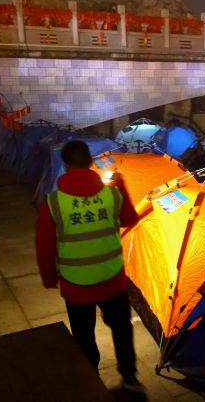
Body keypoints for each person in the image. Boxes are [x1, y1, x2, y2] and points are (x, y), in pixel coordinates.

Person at [35, 140, 143, 393]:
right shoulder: (112, 193)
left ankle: (90, 380)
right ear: (91, 162)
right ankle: (130, 379)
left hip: (76, 285)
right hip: (112, 280)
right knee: (121, 330)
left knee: (83, 337)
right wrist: (122, 186)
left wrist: (50, 279)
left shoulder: (53, 202)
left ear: (66, 165)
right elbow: (129, 219)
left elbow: (45, 248)